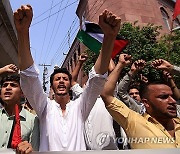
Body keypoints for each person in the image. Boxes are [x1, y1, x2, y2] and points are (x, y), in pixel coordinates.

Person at [14, 4, 121, 151]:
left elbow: (96, 79)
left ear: (70, 84)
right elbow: (29, 77)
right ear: (51, 86)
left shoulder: (80, 107)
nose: (62, 81)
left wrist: (109, 37)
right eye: (57, 79)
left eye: (65, 78)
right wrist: (22, 32)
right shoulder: (44, 107)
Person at [101, 56, 180, 148]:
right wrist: (121, 66)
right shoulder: (133, 121)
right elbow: (107, 94)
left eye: (172, 96)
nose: (173, 101)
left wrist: (172, 68)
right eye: (164, 97)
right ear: (146, 103)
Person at [71, 54, 117, 150]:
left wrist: (105, 54)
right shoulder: (82, 96)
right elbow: (72, 80)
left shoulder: (107, 97)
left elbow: (113, 72)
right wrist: (80, 62)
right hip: (88, 150)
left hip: (109, 149)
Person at [0, 64, 39, 153]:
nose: (8, 88)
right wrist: (2, 70)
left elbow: (35, 149)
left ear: (22, 93)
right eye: (4, 85)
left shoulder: (32, 120)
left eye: (13, 85)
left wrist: (29, 149)